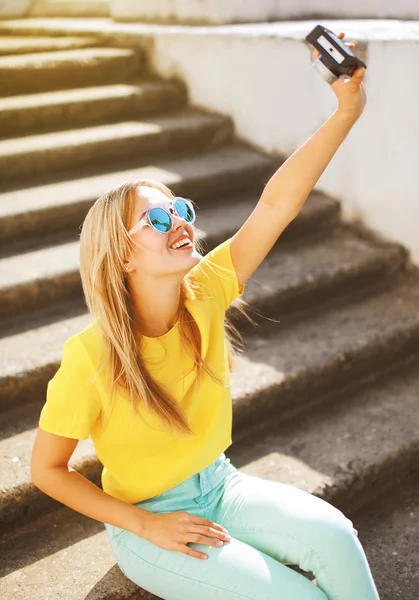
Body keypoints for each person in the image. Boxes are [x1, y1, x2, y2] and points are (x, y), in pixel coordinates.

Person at [31, 32, 380, 600]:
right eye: (159, 220)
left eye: (180, 209)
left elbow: (276, 204)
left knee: (336, 536)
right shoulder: (91, 356)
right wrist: (144, 524)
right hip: (147, 519)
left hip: (220, 485)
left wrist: (348, 109)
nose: (181, 222)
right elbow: (47, 469)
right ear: (120, 256)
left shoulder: (206, 289)